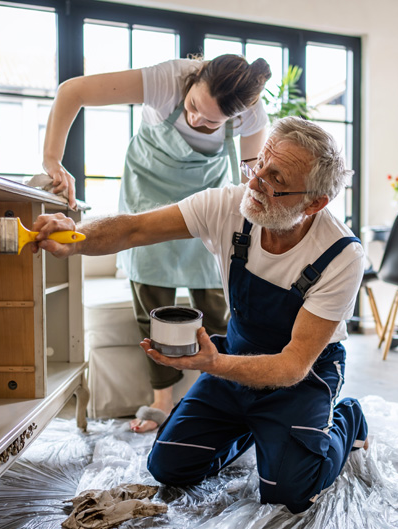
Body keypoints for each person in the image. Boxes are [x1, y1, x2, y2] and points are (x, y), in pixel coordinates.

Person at [33, 117, 368, 514]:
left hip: (303, 375)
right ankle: (254, 427)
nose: (255, 181)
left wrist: (212, 363)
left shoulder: (341, 255)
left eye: (274, 177)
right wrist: (75, 237)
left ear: (314, 203)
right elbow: (135, 230)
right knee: (169, 467)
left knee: (290, 493)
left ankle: (349, 418)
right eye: (258, 163)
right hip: (237, 355)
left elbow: (293, 365)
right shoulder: (230, 206)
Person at [42, 54, 272, 433]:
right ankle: (161, 399)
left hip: (205, 201)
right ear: (194, 80)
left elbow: (251, 180)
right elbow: (73, 91)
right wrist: (53, 159)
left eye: (212, 121)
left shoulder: (252, 114)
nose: (197, 120)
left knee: (217, 308)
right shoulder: (167, 80)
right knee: (153, 303)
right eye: (194, 106)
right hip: (147, 192)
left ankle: (213, 398)